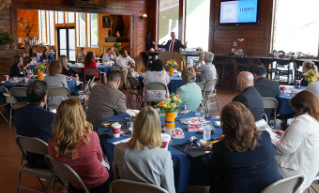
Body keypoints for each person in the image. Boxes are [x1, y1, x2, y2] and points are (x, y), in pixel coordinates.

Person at [209, 101, 282, 193]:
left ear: (225, 126)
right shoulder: (265, 137)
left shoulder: (221, 149)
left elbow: (212, 173)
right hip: (273, 189)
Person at [48, 99, 109, 193]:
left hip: (77, 185)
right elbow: (100, 159)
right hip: (99, 183)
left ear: (58, 118)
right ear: (81, 115)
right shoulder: (92, 136)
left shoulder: (52, 145)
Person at [113, 107, 175, 193]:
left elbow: (117, 181)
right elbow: (170, 190)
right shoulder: (164, 156)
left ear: (135, 126)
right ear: (157, 128)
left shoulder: (119, 149)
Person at [273, 90, 319, 193]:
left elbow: (285, 148)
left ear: (301, 107)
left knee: (264, 159)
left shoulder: (303, 121)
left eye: (295, 108)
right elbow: (302, 139)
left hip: (295, 172)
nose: (294, 111)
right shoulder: (314, 119)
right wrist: (284, 134)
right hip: (310, 167)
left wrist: (270, 138)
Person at [15, 81, 55, 168]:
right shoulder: (50, 117)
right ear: (44, 99)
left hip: (31, 160)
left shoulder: (17, 113)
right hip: (49, 162)